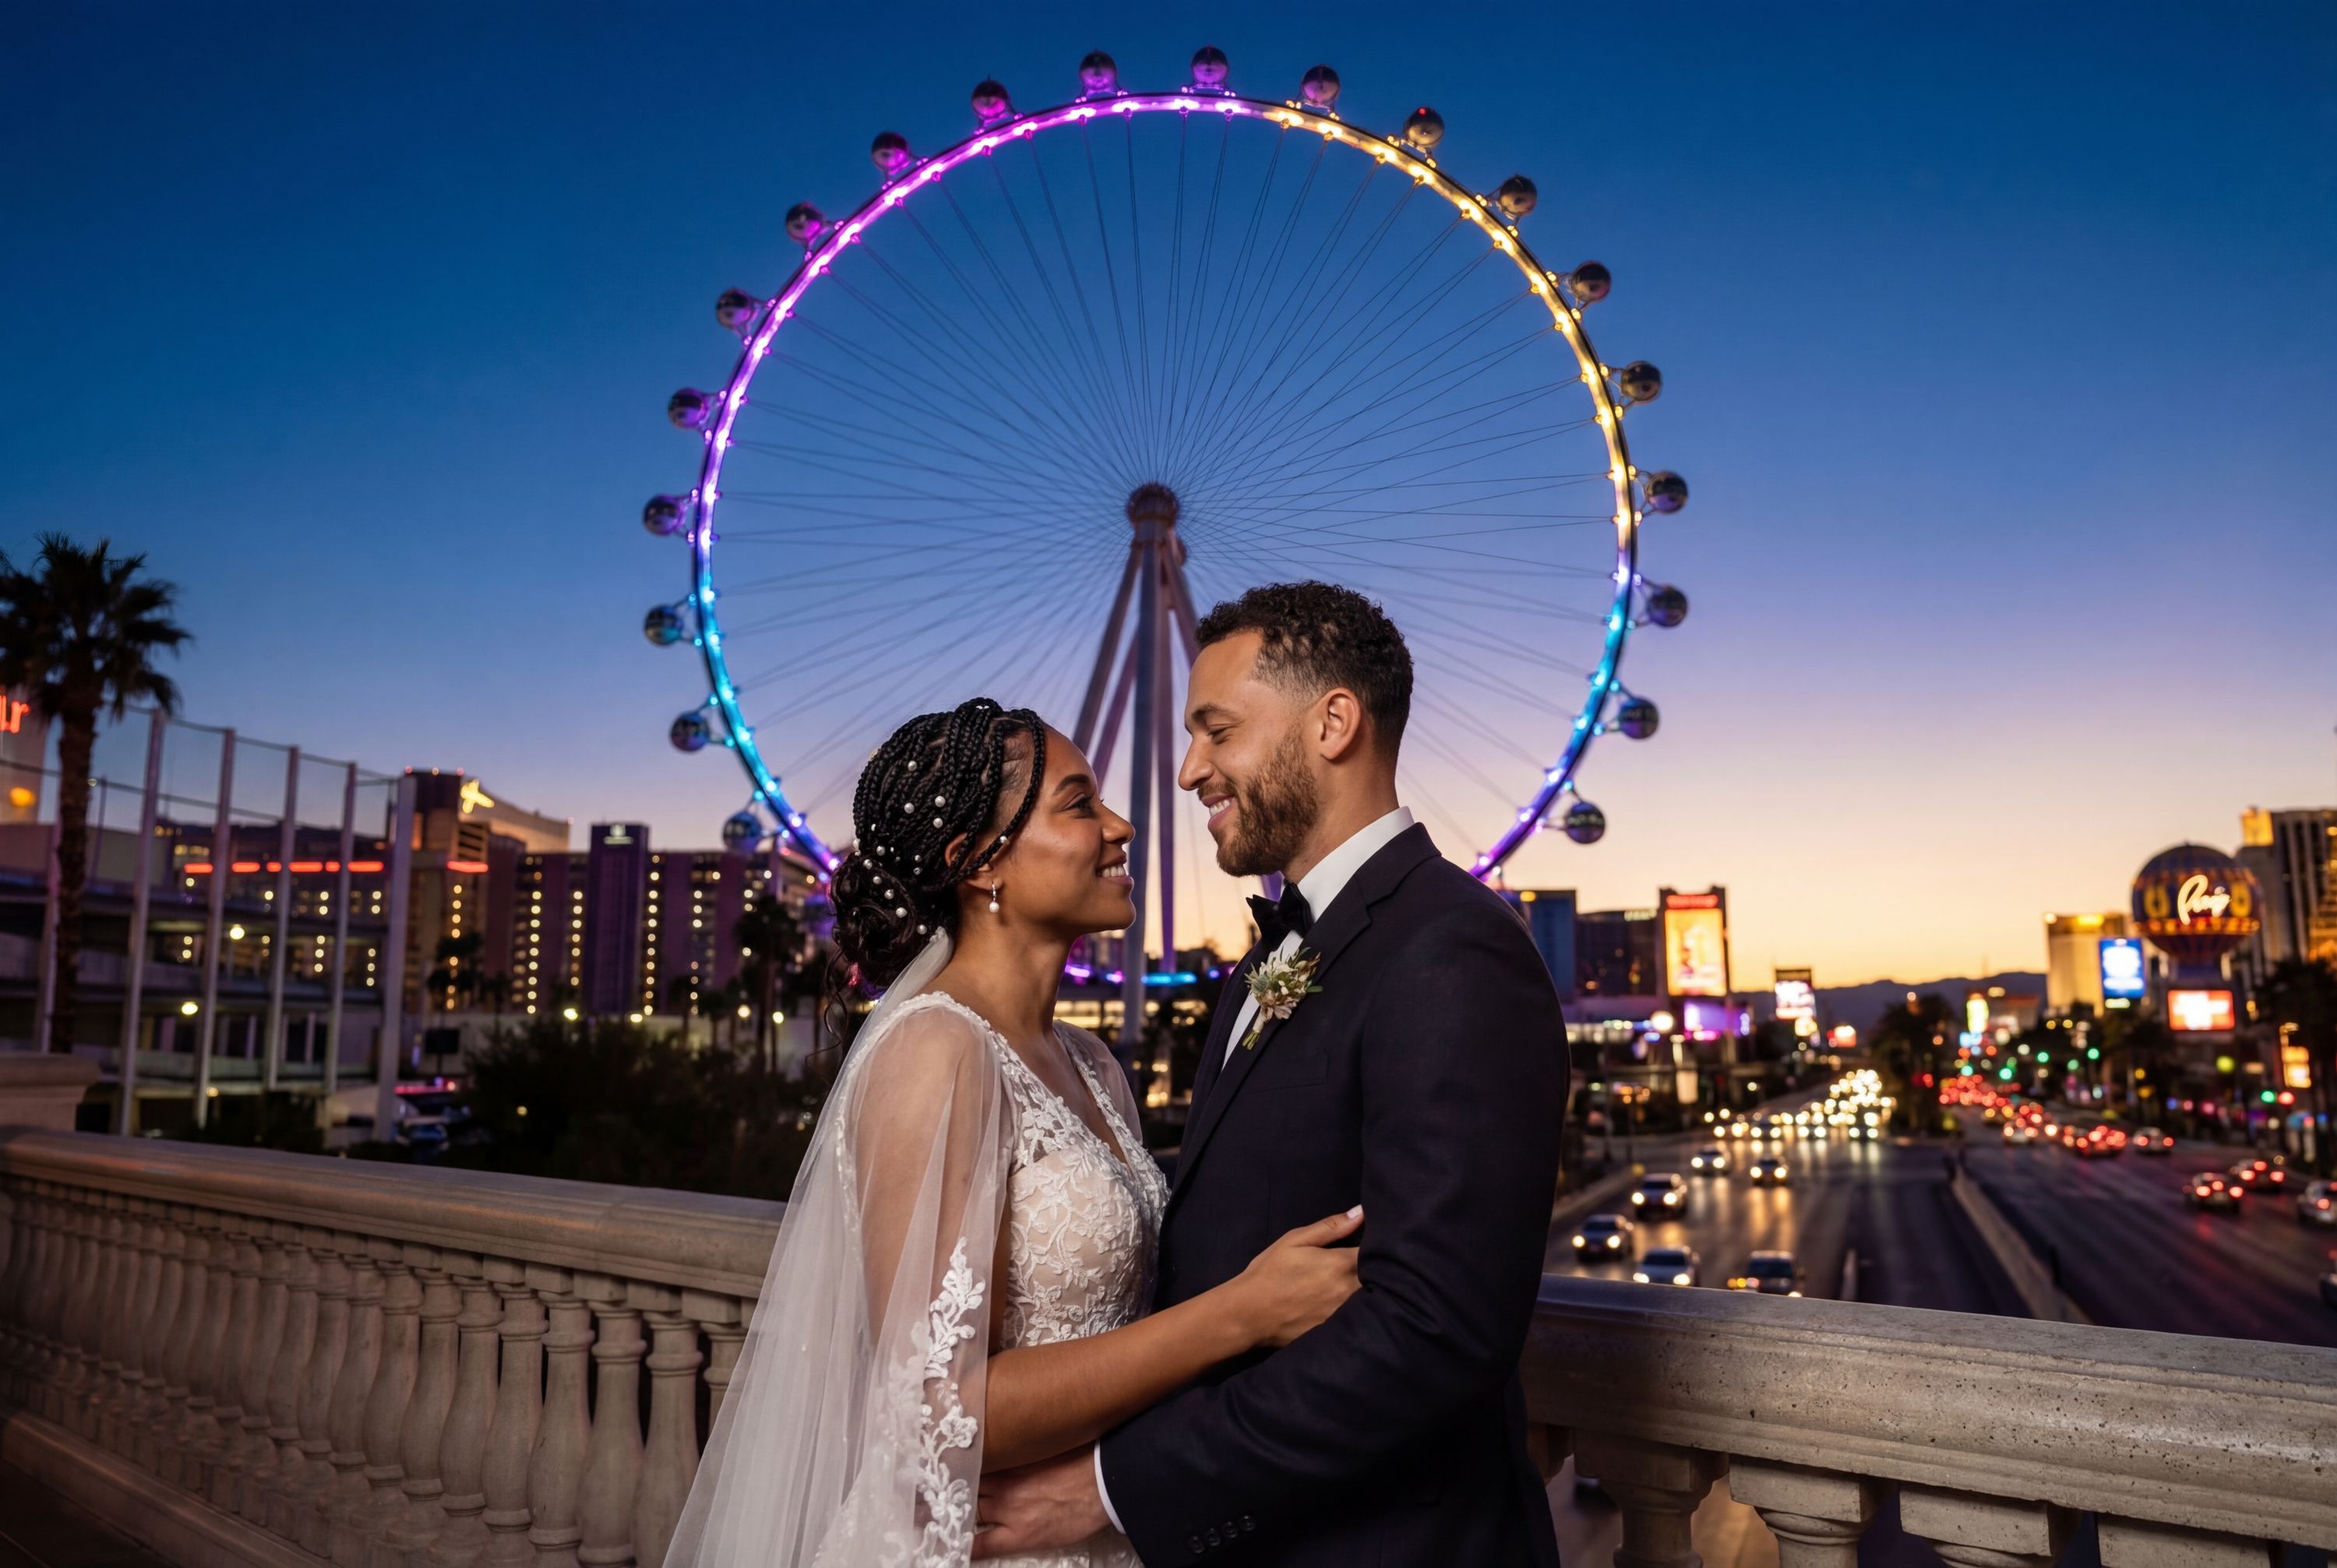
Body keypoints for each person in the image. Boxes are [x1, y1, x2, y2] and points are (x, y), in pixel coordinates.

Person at [662, 696, 1365, 1568]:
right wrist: (1244, 1312)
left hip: (1099, 1526)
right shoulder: (935, 1048)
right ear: (978, 866)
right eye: (1079, 805)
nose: (1123, 826)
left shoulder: (1094, 1064)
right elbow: (935, 1408)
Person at [974, 583, 1569, 1566]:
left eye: (1217, 731)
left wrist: (1115, 1489)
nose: (1187, 770)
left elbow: (1433, 1334)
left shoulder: (1454, 951)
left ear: (1335, 723)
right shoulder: (1268, 962)